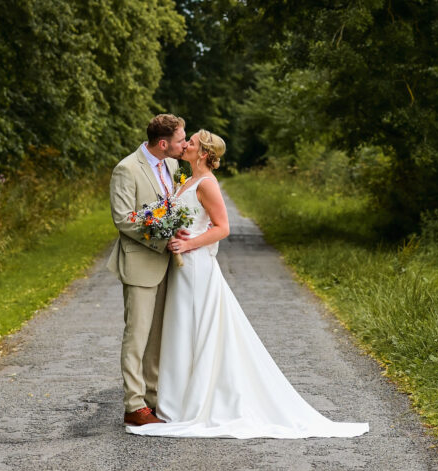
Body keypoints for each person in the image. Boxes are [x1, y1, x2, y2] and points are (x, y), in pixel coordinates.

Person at [127, 128, 369, 439]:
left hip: (197, 267)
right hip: (182, 269)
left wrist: (189, 245)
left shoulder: (208, 184)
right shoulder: (185, 179)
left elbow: (223, 228)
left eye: (191, 143)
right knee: (182, 330)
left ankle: (198, 400)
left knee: (198, 329)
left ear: (202, 153)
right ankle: (177, 399)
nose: (185, 145)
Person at [107, 113, 188, 426]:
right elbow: (124, 219)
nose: (185, 144)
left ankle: (152, 402)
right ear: (164, 143)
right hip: (141, 262)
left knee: (158, 337)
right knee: (137, 336)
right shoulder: (126, 169)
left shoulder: (170, 165)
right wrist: (162, 239)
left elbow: (173, 206)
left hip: (169, 265)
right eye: (182, 140)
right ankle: (133, 406)